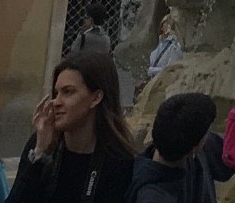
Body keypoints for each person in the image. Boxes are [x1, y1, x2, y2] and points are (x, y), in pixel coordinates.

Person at [7, 51, 137, 203]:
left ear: (96, 98)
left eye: (68, 92)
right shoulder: (42, 145)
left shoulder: (118, 160)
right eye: (56, 93)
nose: (56, 102)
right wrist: (40, 154)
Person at [126, 92, 226, 203]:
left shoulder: (187, 142)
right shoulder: (151, 196)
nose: (208, 135)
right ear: (194, 147)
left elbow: (233, 156)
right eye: (206, 133)